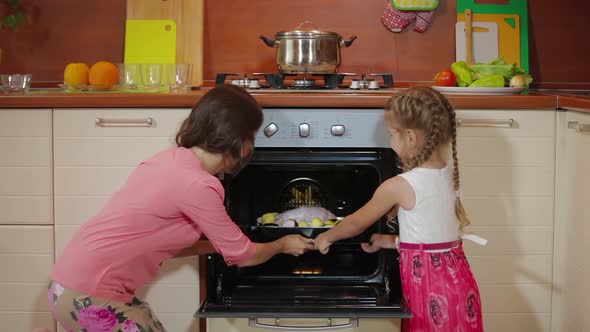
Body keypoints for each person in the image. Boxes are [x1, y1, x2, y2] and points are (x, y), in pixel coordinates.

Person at [47, 85, 314, 332]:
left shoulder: (171, 161)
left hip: (67, 285)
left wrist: (218, 245)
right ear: (239, 141)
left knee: (148, 322)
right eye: (251, 137)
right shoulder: (199, 185)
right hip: (88, 295)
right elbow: (243, 257)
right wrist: (281, 244)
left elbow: (161, 243)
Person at [314, 86, 484, 331]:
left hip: (431, 295)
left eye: (391, 134)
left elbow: (355, 223)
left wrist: (326, 236)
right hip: (461, 287)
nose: (389, 141)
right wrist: (389, 241)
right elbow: (433, 239)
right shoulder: (448, 173)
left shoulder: (399, 186)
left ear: (410, 137)